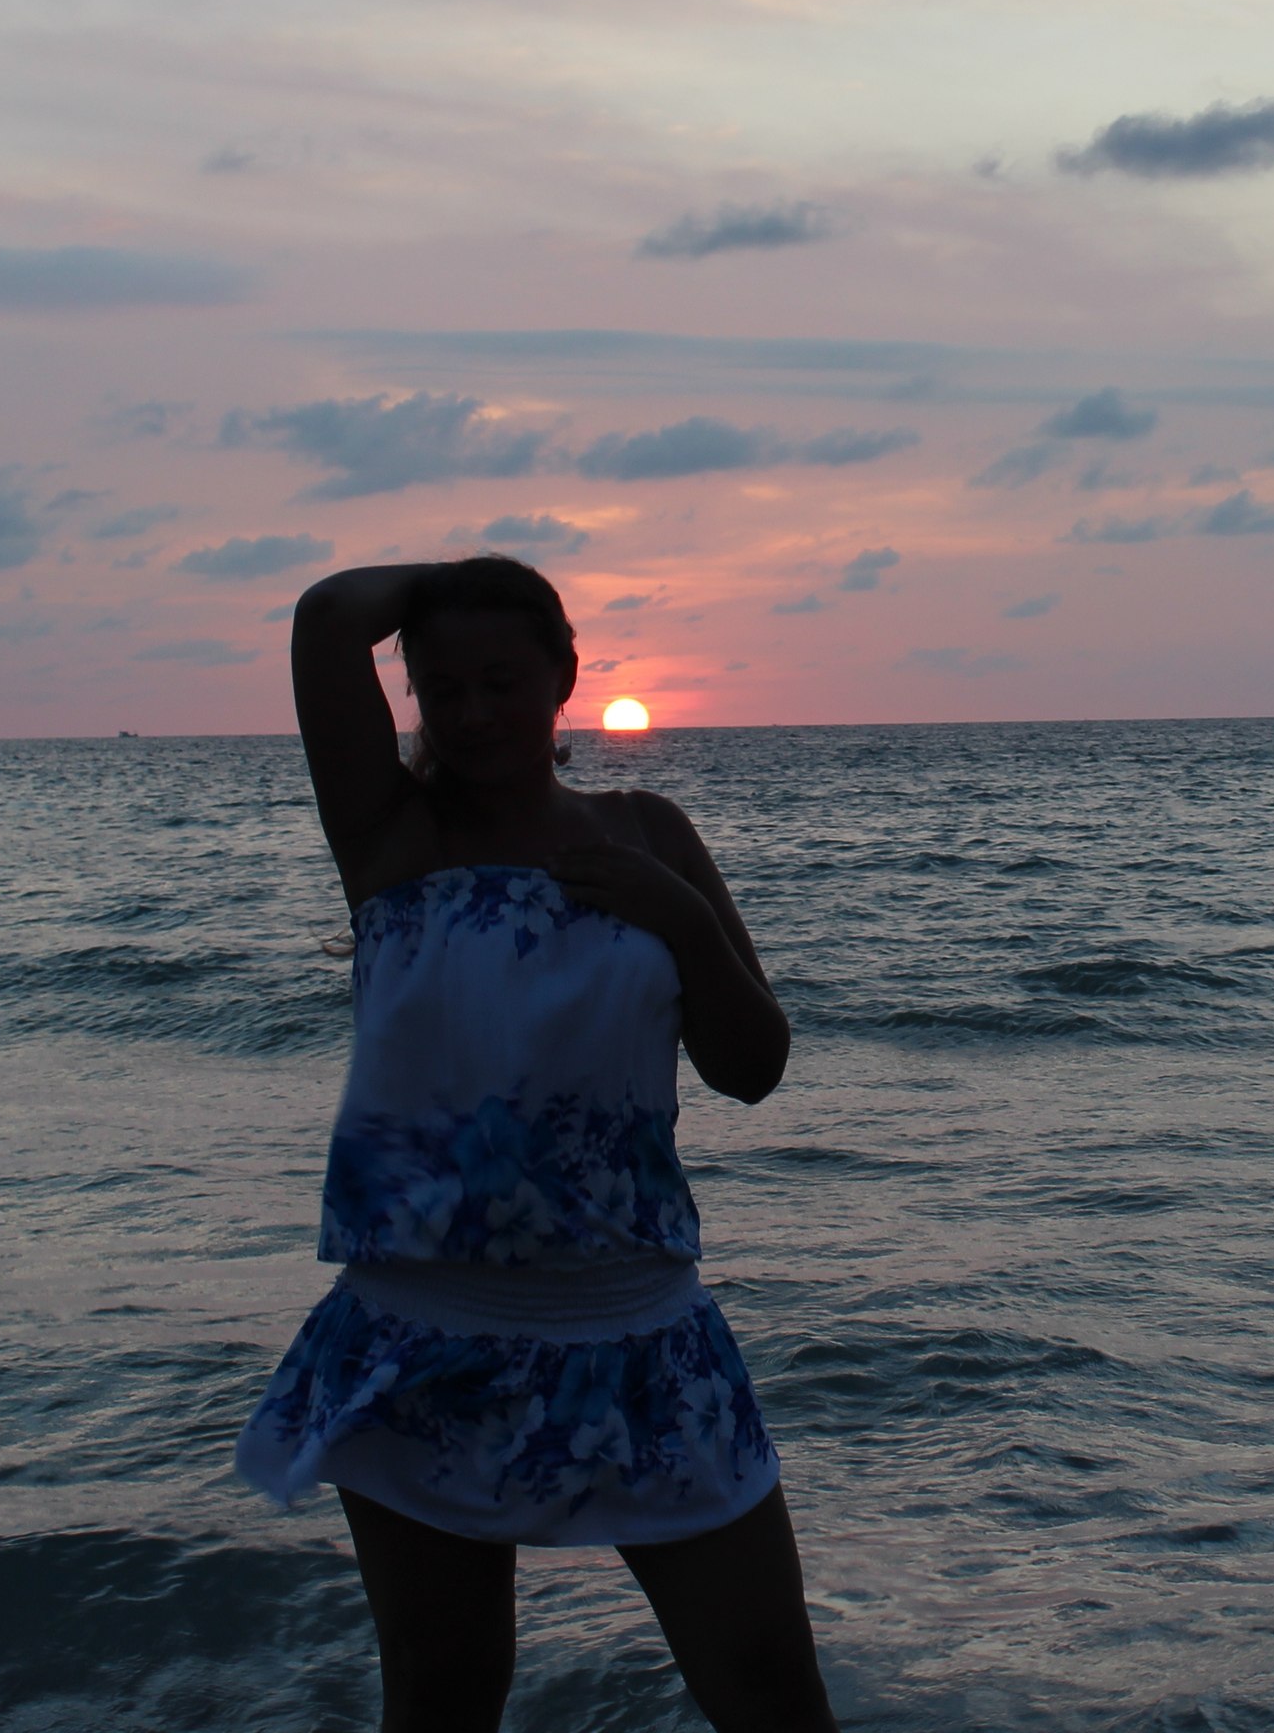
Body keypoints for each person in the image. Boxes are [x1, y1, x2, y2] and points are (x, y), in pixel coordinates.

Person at [236, 556, 835, 1733]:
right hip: (423, 1336)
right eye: (439, 688)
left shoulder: (648, 832)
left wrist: (677, 917)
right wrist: (454, 581)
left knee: (767, 1685)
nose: (469, 714)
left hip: (637, 1327)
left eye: (500, 681)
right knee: (444, 1692)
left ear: (565, 673)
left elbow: (751, 1065)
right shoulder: (390, 835)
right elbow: (326, 616)